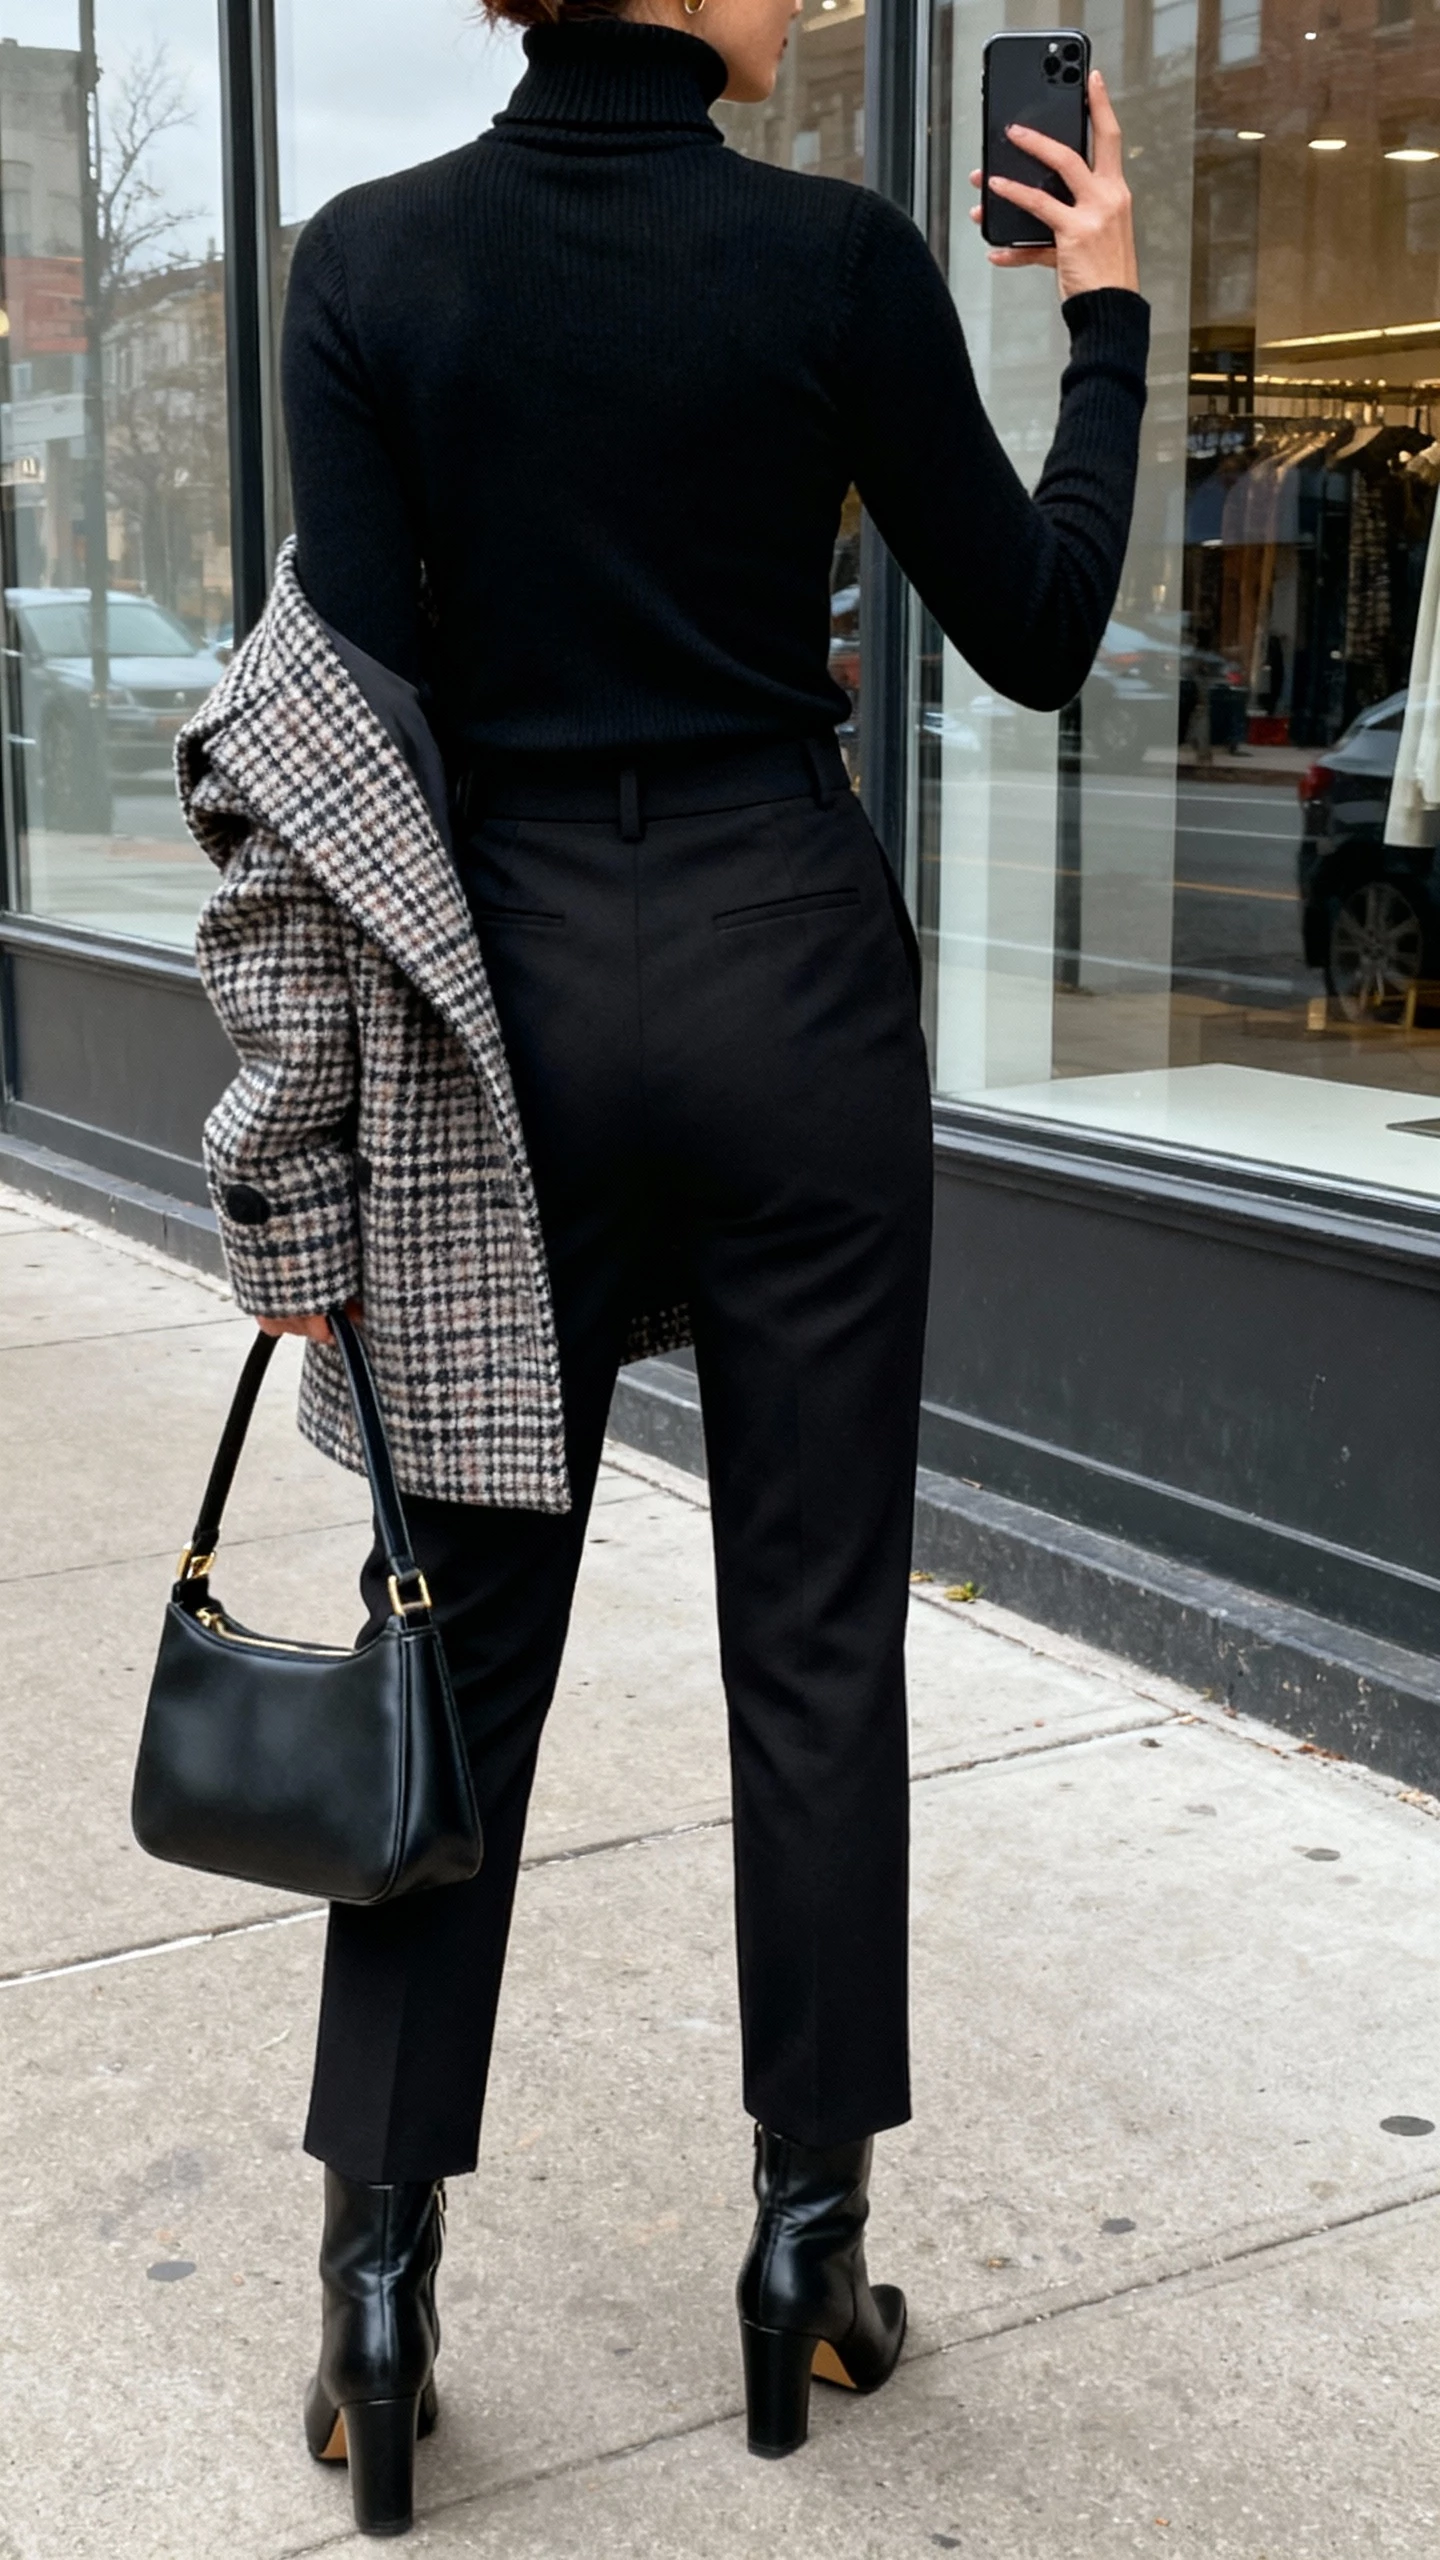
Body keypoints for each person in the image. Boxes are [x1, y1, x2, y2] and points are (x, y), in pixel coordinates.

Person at [178, 0, 1145, 2535]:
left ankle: (379, 2288)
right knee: (813, 1639)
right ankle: (804, 2247)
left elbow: (330, 747)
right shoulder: (830, 260)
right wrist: (1116, 314)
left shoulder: (366, 266)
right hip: (788, 971)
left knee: (452, 1660)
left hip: (502, 1015)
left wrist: (301, 1172)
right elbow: (1036, 629)